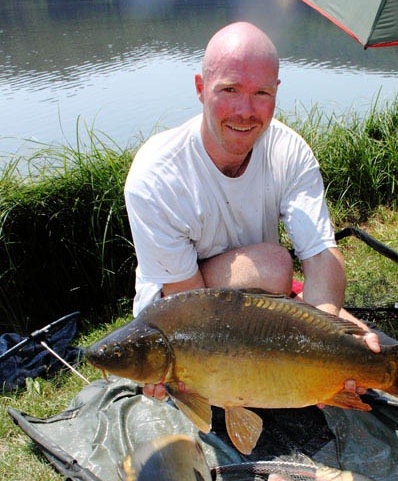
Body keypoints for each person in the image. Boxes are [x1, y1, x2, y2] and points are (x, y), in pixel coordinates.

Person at [124, 21, 380, 399]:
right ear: (200, 89)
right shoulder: (155, 176)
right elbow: (191, 310)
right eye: (229, 90)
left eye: (261, 93)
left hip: (262, 300)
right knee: (274, 265)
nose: (245, 111)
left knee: (316, 315)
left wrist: (327, 333)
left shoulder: (289, 151)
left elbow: (322, 256)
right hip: (176, 319)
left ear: (276, 92)